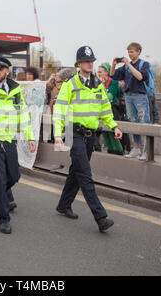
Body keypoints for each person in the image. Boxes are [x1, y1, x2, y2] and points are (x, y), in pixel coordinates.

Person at [53, 46, 121, 233]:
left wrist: (114, 126)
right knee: (85, 174)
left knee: (77, 170)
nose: (90, 63)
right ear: (78, 64)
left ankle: (63, 205)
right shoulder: (70, 84)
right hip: (74, 134)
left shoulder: (98, 85)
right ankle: (100, 217)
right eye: (86, 61)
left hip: (91, 135)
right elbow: (59, 110)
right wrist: (58, 135)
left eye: (92, 61)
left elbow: (105, 109)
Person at [0, 56, 36, 234]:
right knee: (0, 177)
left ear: (7, 71)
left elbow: (24, 115)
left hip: (9, 138)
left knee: (14, 175)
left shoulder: (16, 90)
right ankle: (3, 218)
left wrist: (30, 137)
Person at [110, 42, 150, 161]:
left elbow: (140, 77)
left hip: (140, 96)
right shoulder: (126, 67)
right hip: (128, 96)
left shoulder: (144, 64)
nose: (129, 54)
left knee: (144, 123)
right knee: (133, 123)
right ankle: (136, 148)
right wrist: (113, 65)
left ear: (138, 51)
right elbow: (113, 76)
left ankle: (147, 151)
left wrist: (128, 63)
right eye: (128, 52)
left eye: (132, 51)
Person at [97, 63, 124, 155]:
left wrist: (101, 86)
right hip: (102, 111)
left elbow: (108, 97)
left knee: (113, 134)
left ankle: (119, 152)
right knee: (105, 133)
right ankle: (111, 151)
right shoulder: (98, 83)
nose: (99, 74)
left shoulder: (114, 83)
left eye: (100, 72)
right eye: (98, 72)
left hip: (113, 111)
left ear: (106, 72)